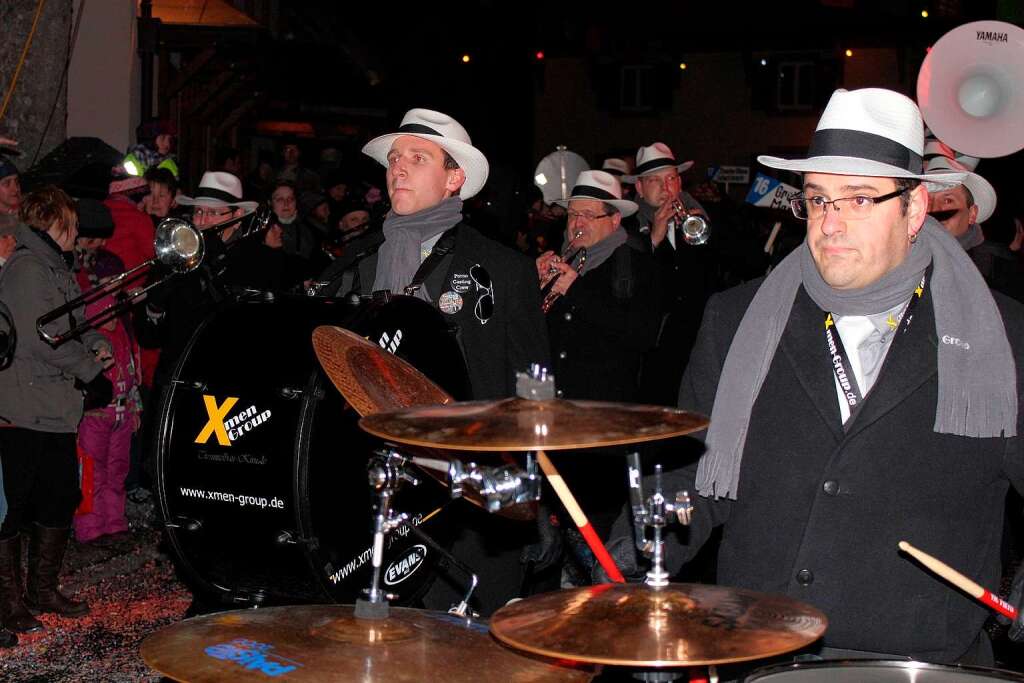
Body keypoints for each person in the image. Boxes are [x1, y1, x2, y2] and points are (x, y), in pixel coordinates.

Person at [610, 88, 1023, 669]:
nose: (831, 223)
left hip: (923, 660)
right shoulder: (736, 317)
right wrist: (634, 535)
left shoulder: (1002, 333)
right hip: (761, 647)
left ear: (915, 208)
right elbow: (694, 472)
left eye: (859, 199)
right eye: (818, 199)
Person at [357, 108, 550, 613]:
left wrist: (535, 489)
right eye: (395, 158)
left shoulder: (505, 269)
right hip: (378, 487)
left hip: (473, 498)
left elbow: (534, 386)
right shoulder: (354, 264)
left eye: (417, 158)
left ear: (454, 179)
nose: (398, 168)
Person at [0, 187, 114, 636]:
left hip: (55, 409)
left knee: (58, 497)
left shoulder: (55, 268)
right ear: (58, 223)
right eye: (73, 223)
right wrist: (90, 372)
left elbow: (72, 325)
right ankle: (8, 603)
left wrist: (96, 346)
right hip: (23, 408)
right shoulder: (29, 269)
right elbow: (39, 338)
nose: (78, 232)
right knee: (13, 508)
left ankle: (42, 588)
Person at [537, 170, 662, 543]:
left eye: (588, 216)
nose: (577, 224)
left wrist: (575, 292)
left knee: (598, 532)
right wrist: (530, 283)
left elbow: (643, 335)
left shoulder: (636, 265)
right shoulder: (565, 260)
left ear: (614, 220)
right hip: (554, 421)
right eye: (573, 214)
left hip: (602, 429)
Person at [624, 143, 718, 406]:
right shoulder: (625, 227)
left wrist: (705, 236)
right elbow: (632, 288)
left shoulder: (700, 216)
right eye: (656, 181)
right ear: (640, 188)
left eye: (671, 179)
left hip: (696, 347)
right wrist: (654, 238)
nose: (667, 188)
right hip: (652, 355)